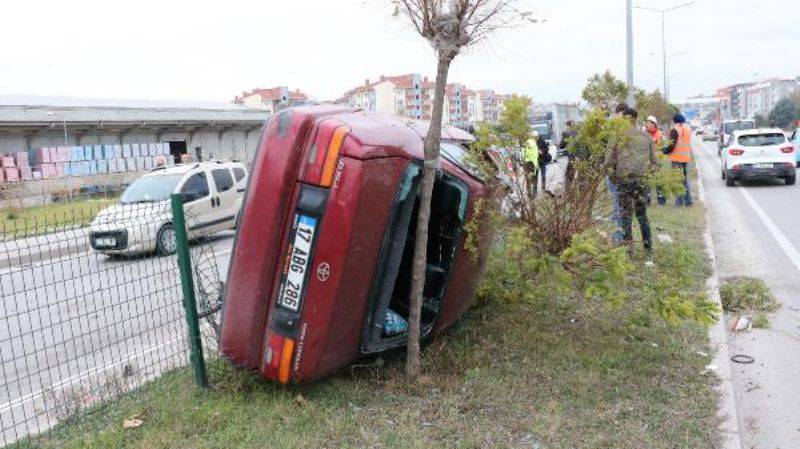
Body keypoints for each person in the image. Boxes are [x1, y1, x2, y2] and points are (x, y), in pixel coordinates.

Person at [608, 107, 656, 252]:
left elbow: (608, 161)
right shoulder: (646, 137)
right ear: (635, 119)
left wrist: (614, 179)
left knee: (626, 216)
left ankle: (629, 250)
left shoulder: (617, 136)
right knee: (642, 215)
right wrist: (647, 178)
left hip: (624, 181)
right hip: (641, 181)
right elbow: (654, 162)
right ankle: (648, 247)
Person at [663, 113, 693, 207]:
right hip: (686, 159)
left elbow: (671, 145)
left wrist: (664, 151)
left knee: (677, 181)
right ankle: (688, 202)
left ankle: (679, 203)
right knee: (684, 181)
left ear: (674, 120)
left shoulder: (675, 130)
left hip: (677, 159)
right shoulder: (687, 129)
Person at [644, 116, 667, 205]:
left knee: (659, 182)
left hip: (658, 163)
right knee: (647, 183)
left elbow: (667, 147)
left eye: (648, 123)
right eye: (646, 123)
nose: (646, 125)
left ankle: (661, 201)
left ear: (653, 124)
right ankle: (647, 200)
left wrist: (660, 156)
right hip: (647, 163)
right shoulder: (644, 134)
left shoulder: (660, 135)